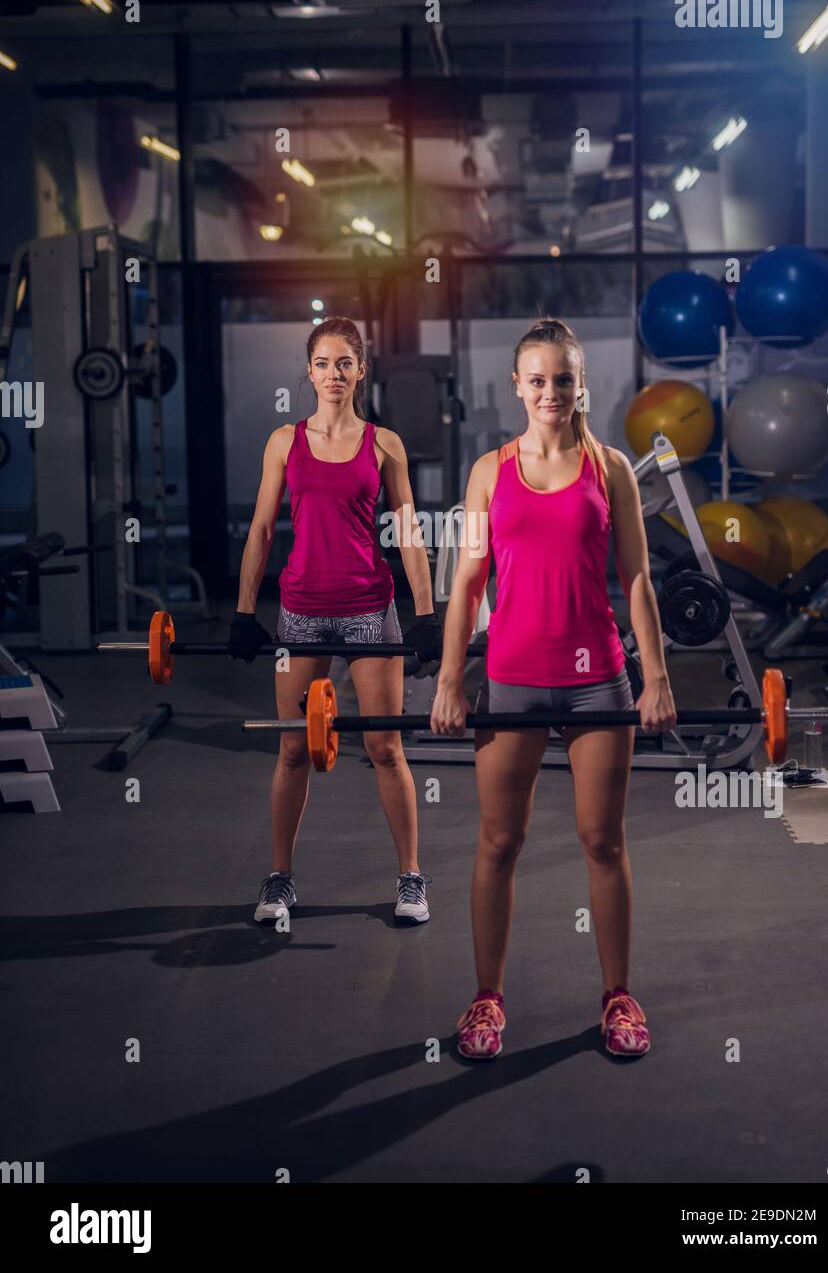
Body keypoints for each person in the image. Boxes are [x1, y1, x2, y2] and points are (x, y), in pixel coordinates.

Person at [431, 318, 677, 1059]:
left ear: (580, 385)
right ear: (516, 386)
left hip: (597, 679)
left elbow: (635, 577)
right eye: (536, 379)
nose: (549, 392)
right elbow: (468, 582)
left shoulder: (611, 469)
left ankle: (618, 997)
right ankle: (484, 1001)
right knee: (499, 842)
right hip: (509, 678)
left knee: (602, 842)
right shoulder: (487, 472)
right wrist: (448, 680)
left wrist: (654, 674)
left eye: (561, 379)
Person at [229, 317, 442, 927]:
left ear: (361, 369)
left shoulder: (384, 444)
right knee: (293, 749)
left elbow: (408, 534)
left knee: (385, 747)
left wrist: (424, 616)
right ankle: (279, 878)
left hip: (369, 609)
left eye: (344, 363)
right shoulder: (282, 442)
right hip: (300, 609)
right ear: (308, 371)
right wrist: (244, 612)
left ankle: (410, 878)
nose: (333, 375)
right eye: (322, 364)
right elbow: (263, 530)